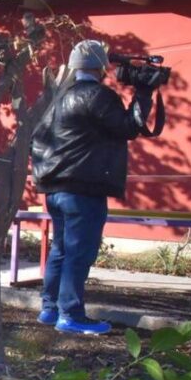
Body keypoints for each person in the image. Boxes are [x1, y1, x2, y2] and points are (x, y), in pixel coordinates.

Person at [31, 40, 153, 335]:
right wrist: (144, 93)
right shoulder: (97, 95)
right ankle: (70, 314)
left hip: (55, 188)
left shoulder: (58, 97)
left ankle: (49, 308)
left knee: (61, 250)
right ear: (100, 68)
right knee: (78, 252)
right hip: (83, 189)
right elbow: (128, 127)